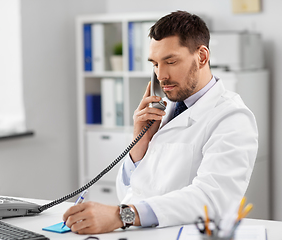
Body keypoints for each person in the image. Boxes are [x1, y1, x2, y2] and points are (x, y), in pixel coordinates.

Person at [63, 10, 258, 234]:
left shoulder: (232, 117)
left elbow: (212, 199)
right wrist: (139, 144)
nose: (160, 75)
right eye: (155, 64)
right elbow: (129, 192)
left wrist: (122, 215)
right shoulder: (162, 112)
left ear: (202, 57)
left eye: (170, 61)